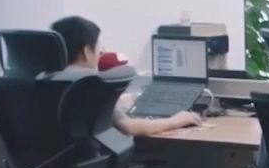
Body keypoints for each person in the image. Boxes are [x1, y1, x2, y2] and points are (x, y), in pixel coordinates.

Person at [50, 16, 203, 136]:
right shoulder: (90, 83)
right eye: (98, 48)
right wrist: (176, 120)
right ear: (86, 51)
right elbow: (129, 127)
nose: (100, 53)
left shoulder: (46, 80)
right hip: (87, 161)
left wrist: (116, 101)